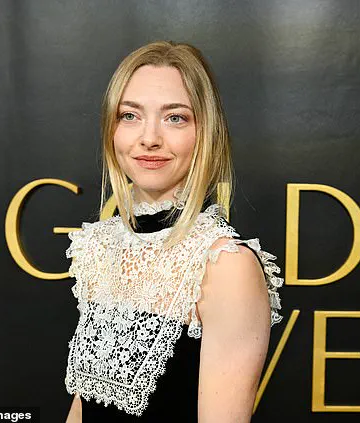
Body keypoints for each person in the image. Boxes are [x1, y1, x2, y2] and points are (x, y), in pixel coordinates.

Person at [64, 40, 283, 422]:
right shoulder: (98, 246)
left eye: (175, 118)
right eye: (129, 115)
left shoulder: (223, 265)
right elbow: (85, 407)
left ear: (205, 132)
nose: (149, 138)